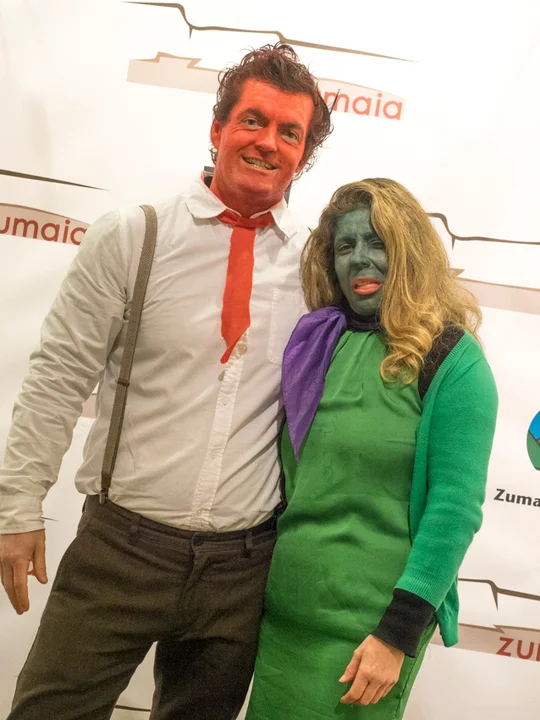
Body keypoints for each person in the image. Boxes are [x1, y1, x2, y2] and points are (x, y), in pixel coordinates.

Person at [0, 44, 332, 719]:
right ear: (218, 128)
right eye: (252, 120)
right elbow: (58, 377)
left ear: (302, 156)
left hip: (244, 567)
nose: (268, 142)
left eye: (289, 132)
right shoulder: (133, 236)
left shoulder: (316, 267)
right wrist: (18, 507)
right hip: (120, 549)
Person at [245, 178, 498, 719]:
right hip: (283, 619)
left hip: (368, 637)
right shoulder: (317, 344)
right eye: (345, 245)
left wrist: (397, 634)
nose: (359, 258)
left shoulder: (453, 360)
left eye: (377, 242)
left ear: (409, 250)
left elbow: (453, 510)